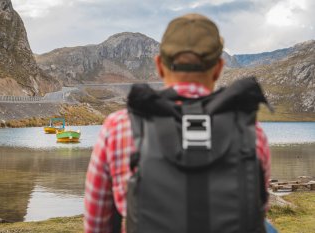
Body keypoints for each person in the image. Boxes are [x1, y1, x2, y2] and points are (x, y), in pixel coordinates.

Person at [84, 13, 272, 233]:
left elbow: (97, 225)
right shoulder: (251, 130)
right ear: (219, 68)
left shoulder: (118, 126)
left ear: (160, 65)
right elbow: (255, 211)